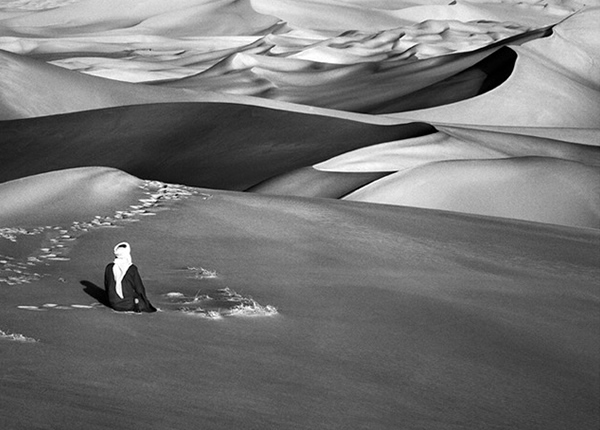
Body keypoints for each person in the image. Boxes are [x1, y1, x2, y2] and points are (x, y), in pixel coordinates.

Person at [104, 242, 157, 313]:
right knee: (140, 301)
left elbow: (107, 285)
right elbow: (139, 288)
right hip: (128, 305)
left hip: (113, 303)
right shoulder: (131, 269)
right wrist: (146, 302)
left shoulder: (109, 267)